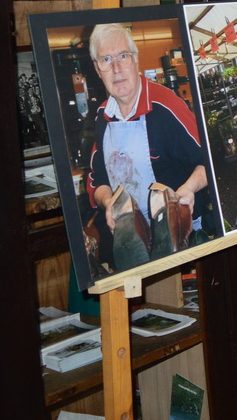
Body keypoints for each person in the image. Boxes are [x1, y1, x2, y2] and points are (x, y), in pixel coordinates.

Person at [85, 23, 209, 269]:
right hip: (131, 241)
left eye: (123, 56)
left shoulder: (166, 106)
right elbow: (96, 179)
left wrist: (188, 189)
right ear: (98, 69)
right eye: (106, 59)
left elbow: (208, 162)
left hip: (178, 236)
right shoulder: (102, 116)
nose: (116, 68)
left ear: (136, 60)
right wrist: (109, 203)